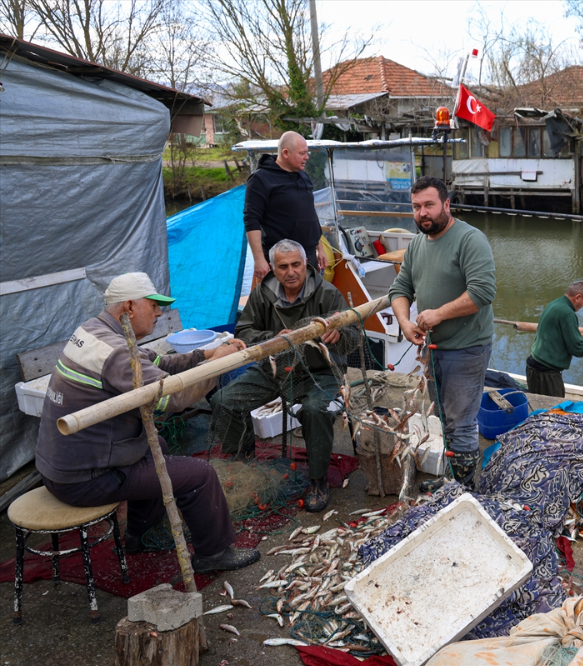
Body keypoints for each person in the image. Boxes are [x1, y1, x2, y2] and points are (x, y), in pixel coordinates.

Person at [35, 273, 259, 572]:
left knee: (159, 445)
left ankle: (139, 533)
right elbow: (172, 398)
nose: (159, 312)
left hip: (59, 465)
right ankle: (214, 554)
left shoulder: (93, 331)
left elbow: (156, 365)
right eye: (153, 305)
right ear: (129, 307)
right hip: (84, 478)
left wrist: (206, 353)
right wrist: (219, 363)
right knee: (199, 475)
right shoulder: (115, 352)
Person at [210, 239, 355, 511]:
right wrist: (272, 338)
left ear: (306, 264)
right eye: (283, 266)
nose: (291, 272)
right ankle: (244, 465)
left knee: (315, 410)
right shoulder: (262, 294)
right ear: (273, 269)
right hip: (273, 369)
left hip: (320, 371)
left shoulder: (328, 293)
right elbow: (243, 335)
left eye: (296, 265)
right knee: (223, 401)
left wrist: (339, 334)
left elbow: (354, 338)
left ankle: (318, 479)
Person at [389, 176, 496, 486]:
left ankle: (464, 488)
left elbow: (483, 292)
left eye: (429, 205)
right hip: (432, 349)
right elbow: (400, 289)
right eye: (416, 207)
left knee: (461, 422)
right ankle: (452, 479)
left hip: (467, 349)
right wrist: (405, 322)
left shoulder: (469, 239)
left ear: (446, 204)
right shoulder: (417, 244)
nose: (423, 213)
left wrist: (437, 313)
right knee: (443, 417)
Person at [244, 131, 328, 281]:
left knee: (310, 301)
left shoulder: (303, 175)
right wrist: (258, 260)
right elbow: (251, 220)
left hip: (307, 256)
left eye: (307, 153)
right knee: (283, 303)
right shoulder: (260, 179)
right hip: (281, 261)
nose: (307, 157)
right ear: (285, 153)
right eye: (302, 153)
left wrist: (319, 248)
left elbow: (310, 214)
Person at [526, 281, 583, 397]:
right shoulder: (568, 314)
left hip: (534, 366)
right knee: (554, 410)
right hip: (546, 373)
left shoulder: (555, 304)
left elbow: (560, 337)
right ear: (578, 297)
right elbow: (578, 350)